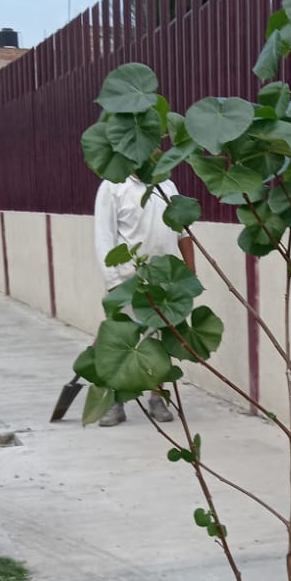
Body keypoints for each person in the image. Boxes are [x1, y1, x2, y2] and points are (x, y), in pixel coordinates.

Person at [92, 175, 186, 428]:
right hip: (127, 280)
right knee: (122, 344)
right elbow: (104, 236)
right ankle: (116, 401)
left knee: (159, 341)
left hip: (165, 277)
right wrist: (113, 282)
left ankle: (158, 398)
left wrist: (189, 276)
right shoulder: (113, 186)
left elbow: (181, 231)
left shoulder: (167, 185)